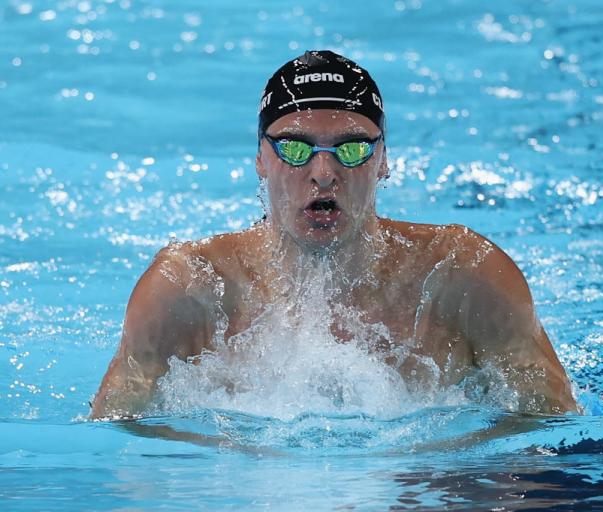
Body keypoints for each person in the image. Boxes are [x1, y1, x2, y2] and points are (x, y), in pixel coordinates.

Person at [90, 50, 576, 419]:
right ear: (261, 158)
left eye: (352, 149)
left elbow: (552, 428)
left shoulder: (461, 275)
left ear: (383, 160)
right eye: (296, 149)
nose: (324, 172)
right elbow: (117, 441)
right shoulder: (188, 287)